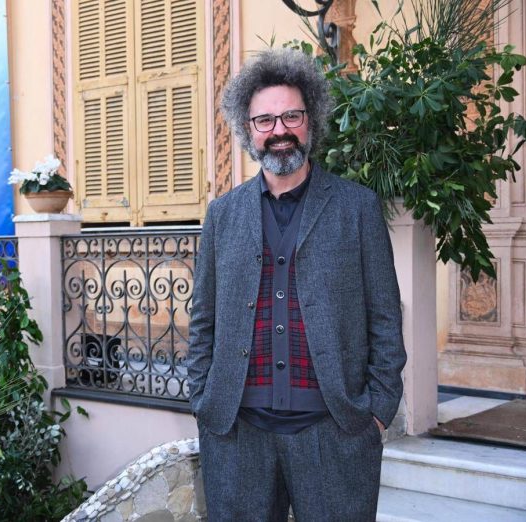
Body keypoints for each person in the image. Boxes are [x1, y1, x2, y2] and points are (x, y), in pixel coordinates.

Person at [186, 48, 406, 521]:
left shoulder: (357, 208)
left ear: (311, 120)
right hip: (238, 434)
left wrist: (377, 409)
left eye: (291, 116)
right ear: (247, 129)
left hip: (335, 431)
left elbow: (385, 315)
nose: (279, 130)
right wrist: (202, 398)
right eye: (264, 120)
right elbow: (203, 317)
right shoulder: (222, 215)